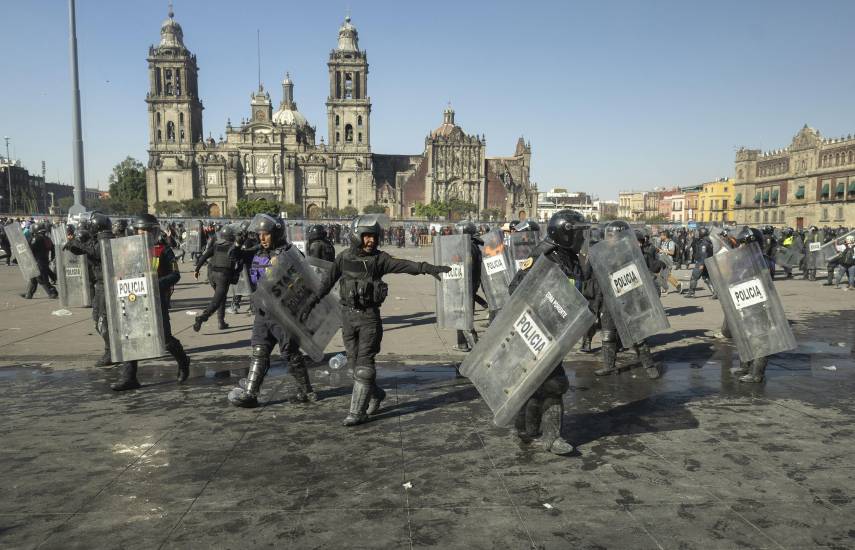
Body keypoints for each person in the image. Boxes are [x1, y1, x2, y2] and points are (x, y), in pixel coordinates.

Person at [300, 215, 452, 426]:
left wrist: (428, 268)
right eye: (366, 236)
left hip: (369, 319)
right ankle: (376, 395)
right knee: (354, 369)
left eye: (374, 236)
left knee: (364, 367)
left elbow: (404, 265)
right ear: (356, 235)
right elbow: (324, 285)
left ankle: (357, 412)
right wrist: (308, 306)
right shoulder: (343, 258)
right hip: (347, 318)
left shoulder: (379, 260)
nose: (371, 240)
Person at [509, 210, 589, 455]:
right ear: (564, 233)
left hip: (558, 330)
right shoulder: (544, 256)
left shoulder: (568, 257)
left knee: (539, 383)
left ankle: (527, 428)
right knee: (555, 384)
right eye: (577, 233)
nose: (581, 238)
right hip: (538, 329)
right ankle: (552, 437)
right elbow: (516, 289)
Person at [227, 214, 315, 408]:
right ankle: (251, 393)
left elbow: (305, 281)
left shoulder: (289, 253)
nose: (262, 238)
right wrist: (238, 242)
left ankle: (306, 390)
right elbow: (233, 257)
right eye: (259, 235)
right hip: (262, 312)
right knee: (259, 350)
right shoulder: (257, 252)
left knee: (290, 353)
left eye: (266, 235)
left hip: (283, 314)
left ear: (276, 234)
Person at [110, 213, 191, 391]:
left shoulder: (163, 250)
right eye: (141, 231)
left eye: (148, 231)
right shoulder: (128, 249)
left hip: (157, 300)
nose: (144, 235)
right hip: (133, 299)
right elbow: (121, 271)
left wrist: (155, 283)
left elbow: (175, 275)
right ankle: (129, 377)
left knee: (165, 339)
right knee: (131, 337)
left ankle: (183, 360)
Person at [590, 222, 663, 380]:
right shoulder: (603, 256)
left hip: (629, 301)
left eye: (613, 236)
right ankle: (609, 366)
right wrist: (596, 305)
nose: (610, 239)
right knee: (608, 335)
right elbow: (598, 282)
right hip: (609, 303)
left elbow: (646, 275)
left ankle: (649, 365)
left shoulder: (633, 254)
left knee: (637, 336)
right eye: (608, 236)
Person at [64, 212, 114, 367]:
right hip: (100, 284)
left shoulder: (106, 239)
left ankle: (111, 352)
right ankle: (111, 349)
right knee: (97, 319)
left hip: (107, 284)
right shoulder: (98, 238)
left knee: (103, 320)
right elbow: (87, 249)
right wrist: (74, 245)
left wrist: (77, 244)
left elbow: (96, 251)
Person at [193, 224, 240, 332]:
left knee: (221, 298)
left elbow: (204, 256)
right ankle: (201, 318)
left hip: (212, 274)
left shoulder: (216, 245)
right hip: (223, 276)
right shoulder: (233, 248)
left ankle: (221, 322)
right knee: (216, 301)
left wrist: (197, 269)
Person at [453, 220, 485, 353]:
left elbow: (467, 267)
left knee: (464, 316)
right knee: (462, 315)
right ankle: (462, 344)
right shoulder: (471, 245)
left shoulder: (469, 247)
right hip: (467, 286)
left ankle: (474, 346)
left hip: (466, 286)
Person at [21, 221, 59, 300]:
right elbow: (53, 249)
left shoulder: (36, 238)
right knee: (33, 278)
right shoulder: (47, 238)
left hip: (37, 261)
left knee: (41, 279)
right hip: (44, 260)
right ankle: (29, 294)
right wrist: (51, 258)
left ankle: (52, 293)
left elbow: (30, 249)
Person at [685, 227, 714, 298]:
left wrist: (701, 264)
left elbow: (703, 254)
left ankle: (691, 292)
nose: (698, 234)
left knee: (694, 277)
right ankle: (715, 292)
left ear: (702, 233)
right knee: (706, 278)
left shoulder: (704, 243)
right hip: (706, 262)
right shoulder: (708, 241)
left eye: (699, 232)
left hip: (701, 262)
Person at [656, 230, 681, 294]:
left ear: (665, 235)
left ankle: (677, 284)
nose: (660, 236)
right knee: (662, 275)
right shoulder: (663, 242)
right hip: (662, 260)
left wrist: (662, 251)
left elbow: (672, 252)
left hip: (668, 260)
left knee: (666, 275)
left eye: (661, 235)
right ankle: (667, 288)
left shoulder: (671, 242)